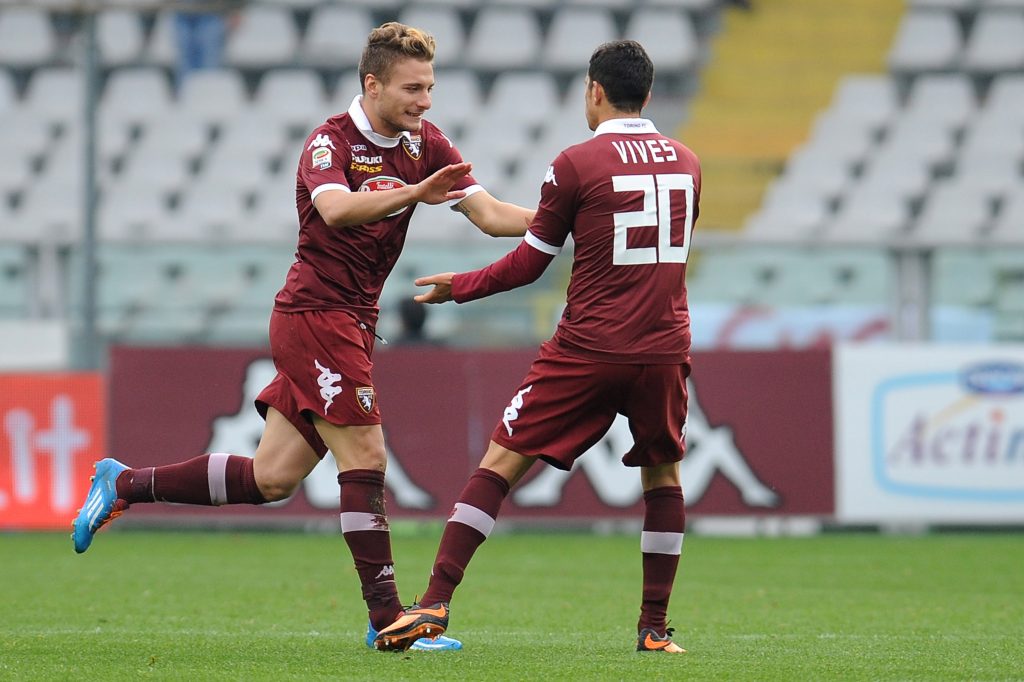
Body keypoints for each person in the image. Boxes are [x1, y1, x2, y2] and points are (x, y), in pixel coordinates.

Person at [72, 22, 534, 652]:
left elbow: (491, 215)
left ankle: (123, 483)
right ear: (372, 85)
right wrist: (416, 192)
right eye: (413, 88)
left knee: (272, 478)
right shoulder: (329, 143)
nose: (425, 102)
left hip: (351, 322)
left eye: (430, 88)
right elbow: (337, 208)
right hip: (316, 315)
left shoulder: (426, 143)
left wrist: (567, 213)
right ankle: (389, 619)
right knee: (367, 456)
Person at [373, 40, 701, 654]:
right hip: (662, 348)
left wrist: (458, 287)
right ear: (648, 96)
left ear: (595, 91)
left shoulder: (576, 162)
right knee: (663, 474)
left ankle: (435, 604)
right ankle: (654, 630)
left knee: (499, 465)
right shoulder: (687, 160)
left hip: (589, 348)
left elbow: (528, 265)